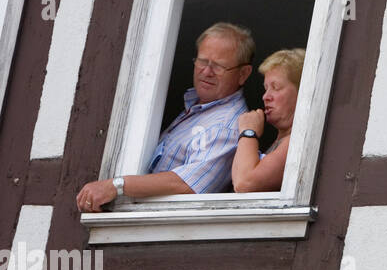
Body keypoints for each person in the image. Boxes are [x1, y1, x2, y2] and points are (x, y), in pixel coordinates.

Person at [77, 22, 254, 212]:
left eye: (218, 66)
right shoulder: (198, 107)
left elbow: (188, 185)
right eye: (202, 61)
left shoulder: (226, 125)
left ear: (243, 74)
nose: (206, 72)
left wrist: (117, 186)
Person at [232, 48, 305, 192]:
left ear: (302, 91)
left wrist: (248, 132)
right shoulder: (282, 139)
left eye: (275, 87)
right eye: (266, 88)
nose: (266, 97)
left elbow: (244, 183)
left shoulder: (298, 140)